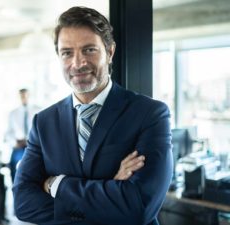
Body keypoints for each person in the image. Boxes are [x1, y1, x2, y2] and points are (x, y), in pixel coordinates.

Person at [13, 6, 172, 225]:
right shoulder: (44, 122)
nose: (78, 64)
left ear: (110, 52)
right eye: (67, 53)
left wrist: (56, 184)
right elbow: (23, 204)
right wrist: (111, 190)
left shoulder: (149, 114)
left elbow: (139, 208)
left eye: (89, 50)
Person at [5, 88, 40, 182]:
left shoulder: (38, 110)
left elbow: (41, 130)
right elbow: (8, 133)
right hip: (19, 146)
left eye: (25, 95)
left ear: (29, 96)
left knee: (37, 166)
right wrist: (14, 142)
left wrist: (30, 140)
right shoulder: (13, 113)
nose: (24, 98)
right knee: (13, 163)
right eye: (21, 96)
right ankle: (15, 187)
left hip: (33, 145)